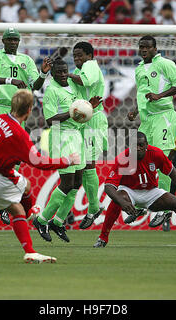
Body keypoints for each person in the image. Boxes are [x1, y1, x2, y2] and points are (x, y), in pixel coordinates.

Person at [0, 89, 81, 263]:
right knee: (17, 211)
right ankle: (30, 249)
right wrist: (67, 160)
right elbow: (38, 162)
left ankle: (29, 213)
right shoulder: (19, 134)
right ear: (30, 109)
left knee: (27, 185)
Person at [94, 132, 176, 249]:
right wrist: (122, 202)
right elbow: (108, 186)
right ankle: (102, 239)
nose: (138, 148)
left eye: (141, 145)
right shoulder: (123, 158)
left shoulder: (156, 154)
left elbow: (171, 171)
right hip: (129, 191)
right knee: (117, 199)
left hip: (151, 192)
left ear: (146, 145)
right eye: (135, 145)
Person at [32, 59, 102, 243]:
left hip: (76, 136)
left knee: (77, 182)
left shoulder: (71, 86)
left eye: (65, 71)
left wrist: (88, 107)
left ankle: (58, 221)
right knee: (66, 182)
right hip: (61, 137)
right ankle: (41, 220)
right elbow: (50, 120)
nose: (63, 75)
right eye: (59, 72)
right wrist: (73, 113)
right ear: (53, 73)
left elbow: (78, 111)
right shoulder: (51, 91)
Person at [128, 35, 176, 232]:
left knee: (160, 159)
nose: (143, 50)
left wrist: (160, 96)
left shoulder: (164, 64)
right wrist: (135, 111)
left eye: (147, 47)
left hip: (164, 116)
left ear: (155, 48)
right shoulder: (138, 69)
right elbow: (143, 93)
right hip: (147, 119)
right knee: (137, 159)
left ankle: (164, 209)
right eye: (141, 47)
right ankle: (139, 206)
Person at [68, 41, 108, 229]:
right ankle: (93, 207)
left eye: (80, 55)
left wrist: (66, 74)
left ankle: (93, 207)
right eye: (74, 56)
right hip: (82, 120)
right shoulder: (79, 71)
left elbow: (84, 81)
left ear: (90, 56)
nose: (77, 59)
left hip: (93, 120)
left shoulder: (90, 66)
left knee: (89, 163)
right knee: (81, 165)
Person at [0, 27, 52, 124]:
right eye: (9, 39)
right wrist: (10, 80)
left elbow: (36, 86)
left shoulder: (27, 60)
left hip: (19, 110)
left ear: (19, 41)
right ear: (3, 41)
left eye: (15, 39)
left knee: (16, 139)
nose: (13, 42)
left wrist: (43, 73)